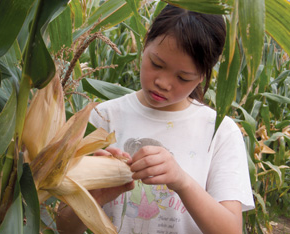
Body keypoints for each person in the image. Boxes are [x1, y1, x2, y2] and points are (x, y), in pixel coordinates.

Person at [57, 4, 254, 234]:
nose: (163, 82)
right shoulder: (103, 118)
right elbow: (65, 227)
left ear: (203, 75)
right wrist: (94, 198)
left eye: (183, 77)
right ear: (146, 40)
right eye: (156, 64)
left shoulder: (220, 132)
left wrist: (182, 181)